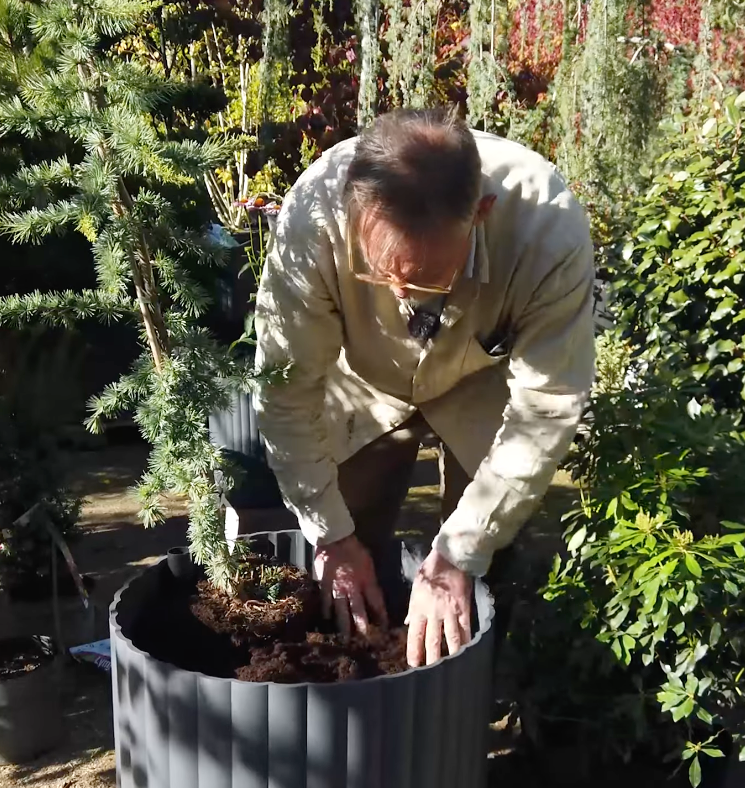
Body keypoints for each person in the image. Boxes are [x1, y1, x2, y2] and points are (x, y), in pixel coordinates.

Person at [253, 108, 594, 668]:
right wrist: (331, 534)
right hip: (366, 378)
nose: (401, 293)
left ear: (481, 213)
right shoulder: (314, 213)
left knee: (485, 562)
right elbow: (286, 388)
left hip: (481, 384)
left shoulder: (547, 230)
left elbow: (547, 406)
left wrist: (461, 551)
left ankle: (471, 687)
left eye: (423, 278)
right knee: (345, 545)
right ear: (354, 209)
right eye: (380, 273)